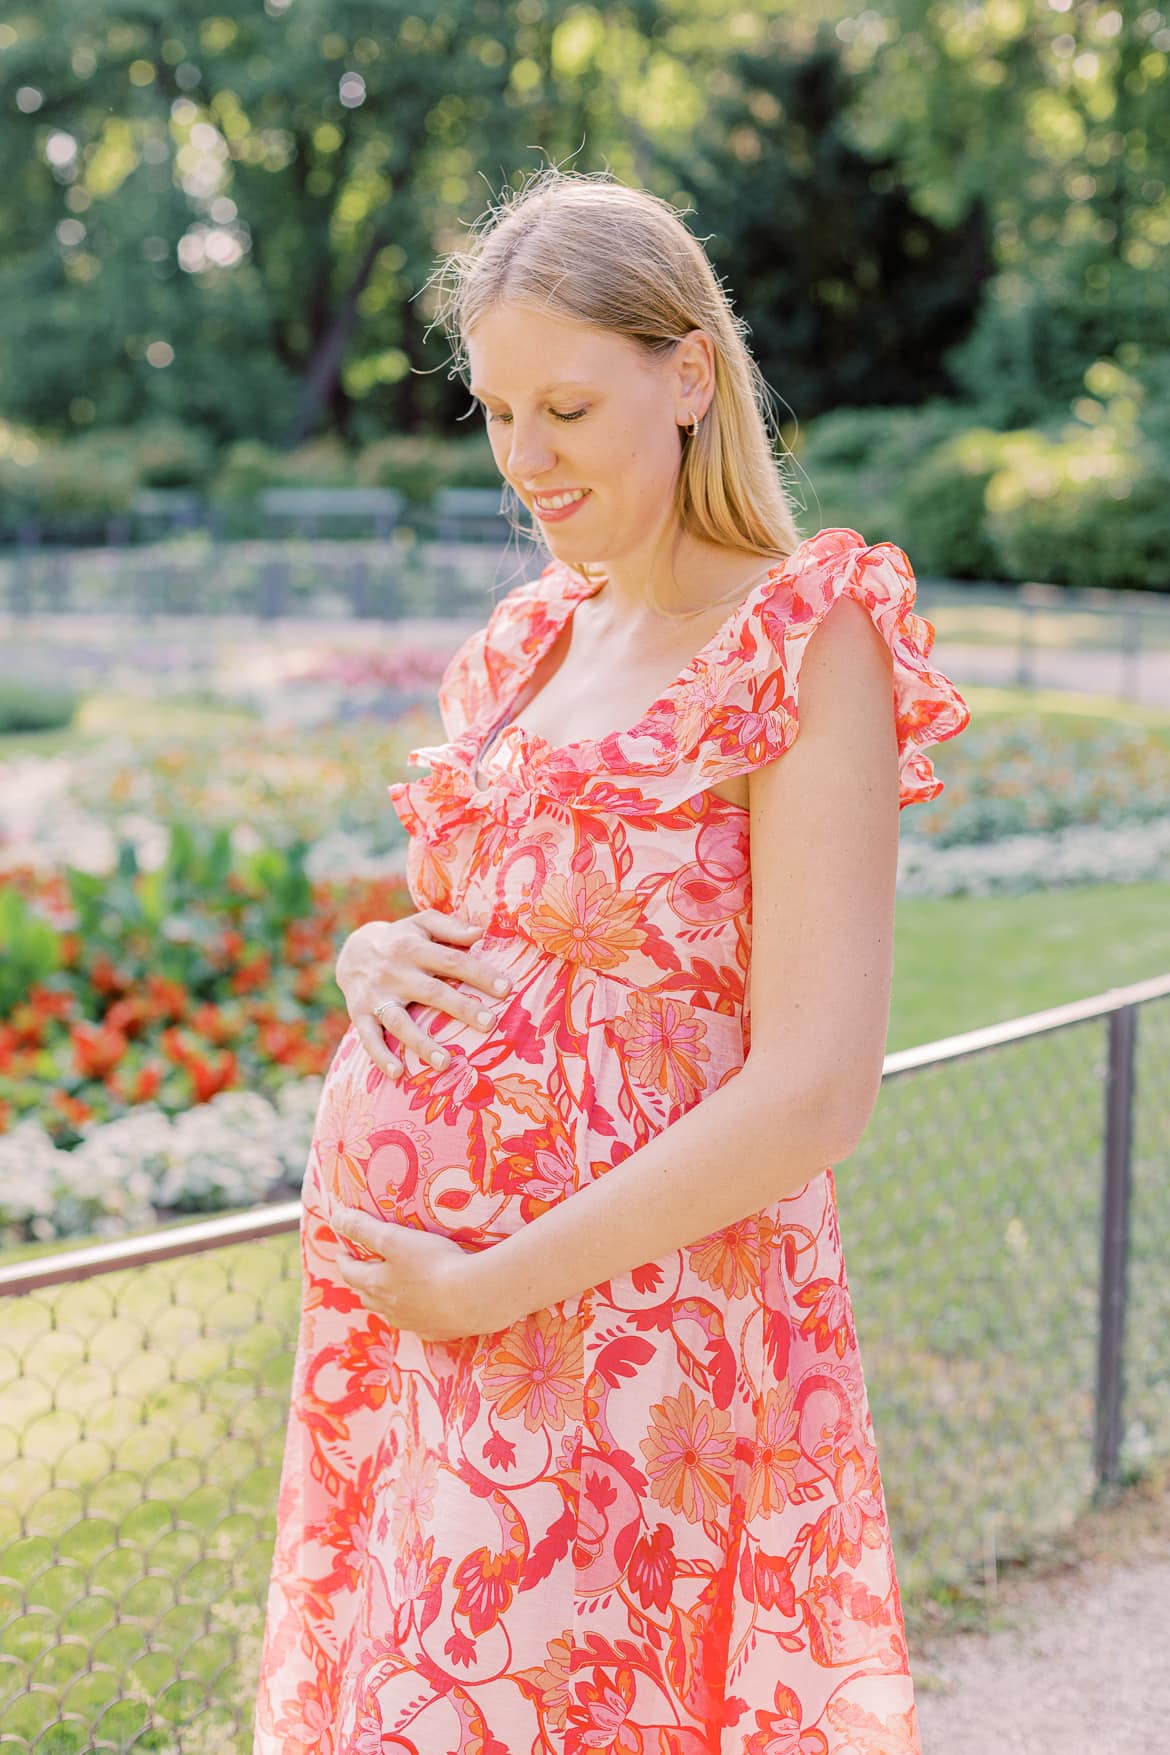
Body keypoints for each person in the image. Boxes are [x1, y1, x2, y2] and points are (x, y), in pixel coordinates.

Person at [254, 168, 971, 1755]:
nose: (526, 461)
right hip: (423, 1347)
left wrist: (482, 1287)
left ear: (689, 373)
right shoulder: (523, 646)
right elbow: (498, 937)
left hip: (637, 1347)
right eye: (498, 413)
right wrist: (380, 954)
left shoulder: (804, 640)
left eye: (566, 407)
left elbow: (813, 1093)